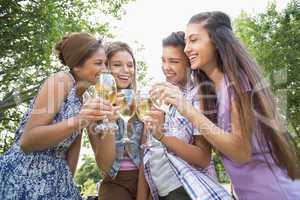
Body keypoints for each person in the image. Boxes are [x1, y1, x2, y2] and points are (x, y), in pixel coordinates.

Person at [154, 11, 300, 199]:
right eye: (187, 42)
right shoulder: (211, 92)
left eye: (194, 40)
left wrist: (186, 109)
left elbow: (240, 152)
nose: (186, 49)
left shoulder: (237, 82)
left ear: (216, 41)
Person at [0, 32, 114, 199]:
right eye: (98, 63)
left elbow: (83, 156)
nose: (105, 69)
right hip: (25, 174)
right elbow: (27, 141)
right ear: (77, 65)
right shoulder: (61, 81)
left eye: (105, 63)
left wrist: (109, 123)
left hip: (56, 178)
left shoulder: (86, 99)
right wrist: (79, 120)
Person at [138, 31, 231, 200]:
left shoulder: (198, 96)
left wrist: (162, 135)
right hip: (162, 190)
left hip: (187, 190)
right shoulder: (166, 93)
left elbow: (203, 158)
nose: (166, 67)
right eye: (163, 60)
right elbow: (152, 152)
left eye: (173, 61)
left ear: (189, 63)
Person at [88, 41, 144, 200]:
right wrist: (109, 122)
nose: (126, 70)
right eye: (117, 65)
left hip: (146, 179)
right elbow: (104, 166)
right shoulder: (94, 109)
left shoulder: (142, 103)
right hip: (114, 184)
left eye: (130, 65)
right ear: (105, 68)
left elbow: (149, 151)